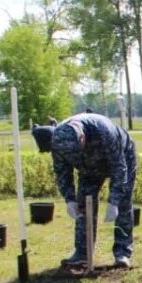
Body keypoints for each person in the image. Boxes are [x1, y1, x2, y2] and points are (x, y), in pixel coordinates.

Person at [48, 113, 137, 268]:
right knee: (83, 205)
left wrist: (114, 201)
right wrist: (69, 199)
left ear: (82, 138)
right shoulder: (58, 141)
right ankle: (82, 253)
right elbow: (62, 171)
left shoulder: (104, 130)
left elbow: (119, 167)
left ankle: (122, 253)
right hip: (88, 169)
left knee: (123, 205)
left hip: (121, 158)